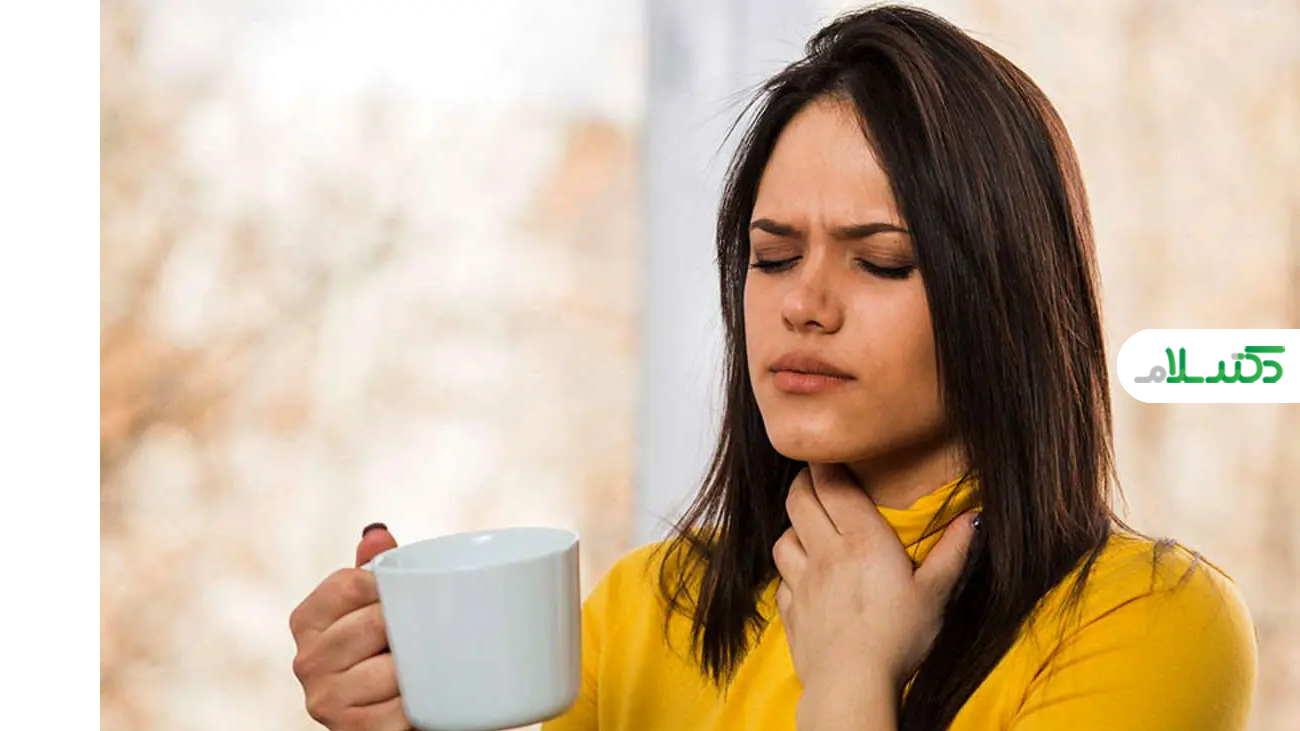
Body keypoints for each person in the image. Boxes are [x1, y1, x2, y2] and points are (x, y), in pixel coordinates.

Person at [288, 5, 1257, 730]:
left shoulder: (1153, 619)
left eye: (880, 260)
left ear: (1003, 298)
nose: (804, 303)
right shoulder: (641, 607)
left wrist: (850, 678)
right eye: (773, 255)